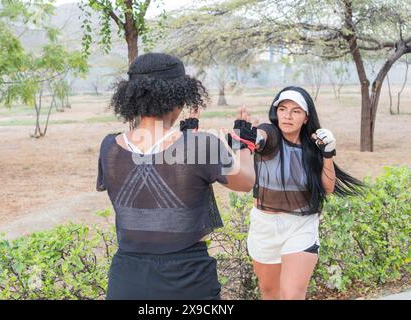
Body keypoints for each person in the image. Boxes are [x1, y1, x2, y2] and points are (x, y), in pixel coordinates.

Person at [96, 52, 255, 300]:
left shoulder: (109, 147)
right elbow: (246, 183)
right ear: (180, 95)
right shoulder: (202, 146)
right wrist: (244, 144)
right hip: (187, 280)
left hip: (126, 280)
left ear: (131, 97)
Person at [247, 86, 363, 300]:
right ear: (276, 112)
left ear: (306, 117)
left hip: (301, 226)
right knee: (270, 292)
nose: (288, 116)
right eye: (282, 109)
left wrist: (327, 154)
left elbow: (327, 189)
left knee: (291, 295)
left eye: (296, 111)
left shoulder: (313, 146)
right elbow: (260, 136)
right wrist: (249, 137)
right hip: (264, 226)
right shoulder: (269, 134)